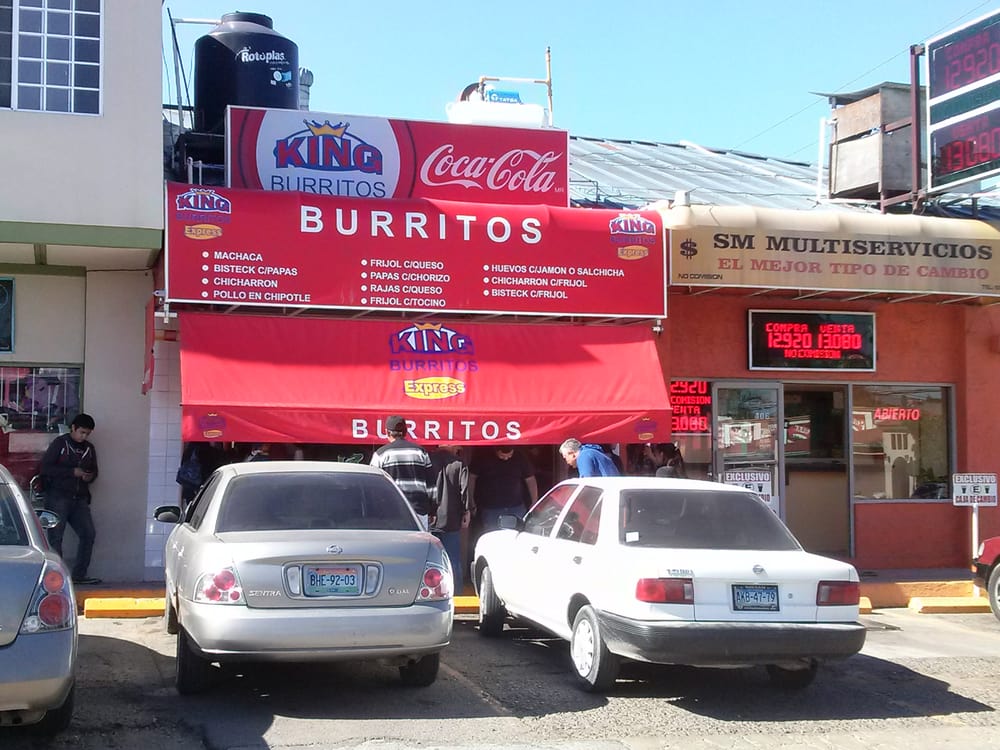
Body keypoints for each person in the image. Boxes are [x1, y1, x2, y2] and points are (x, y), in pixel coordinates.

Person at [40, 413, 101, 584]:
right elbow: (45, 468)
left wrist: (89, 476)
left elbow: (94, 470)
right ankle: (57, 577)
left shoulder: (89, 448)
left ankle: (79, 575)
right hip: (57, 496)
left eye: (87, 434)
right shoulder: (60, 444)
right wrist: (71, 472)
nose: (84, 436)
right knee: (55, 538)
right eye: (81, 432)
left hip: (79, 498)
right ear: (73, 428)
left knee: (88, 534)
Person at [370, 415, 436, 529]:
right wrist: (433, 510)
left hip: (391, 512)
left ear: (387, 432)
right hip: (418, 511)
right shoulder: (421, 452)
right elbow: (431, 487)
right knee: (419, 546)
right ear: (406, 431)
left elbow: (372, 487)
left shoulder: (381, 454)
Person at [429, 444, 470, 593]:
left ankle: (434, 591)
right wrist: (466, 512)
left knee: (431, 560)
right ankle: (456, 592)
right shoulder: (459, 463)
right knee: (453, 559)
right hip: (452, 518)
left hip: (430, 518)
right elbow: (464, 491)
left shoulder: (427, 460)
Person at [469, 445, 538, 531]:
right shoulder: (483, 456)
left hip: (516, 507)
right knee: (493, 537)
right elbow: (471, 477)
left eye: (509, 455)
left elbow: (530, 479)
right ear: (495, 450)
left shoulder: (520, 457)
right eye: (502, 456)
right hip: (491, 509)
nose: (506, 459)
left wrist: (534, 501)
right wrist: (471, 501)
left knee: (517, 536)